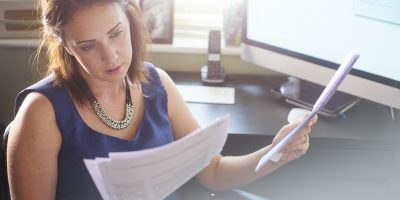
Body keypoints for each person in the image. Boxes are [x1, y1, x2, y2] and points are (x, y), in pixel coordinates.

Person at [6, 0, 317, 199]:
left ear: (129, 19)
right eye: (88, 46)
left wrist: (278, 153)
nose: (111, 55)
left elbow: (213, 172)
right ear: (66, 46)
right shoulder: (41, 112)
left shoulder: (157, 83)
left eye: (116, 33)